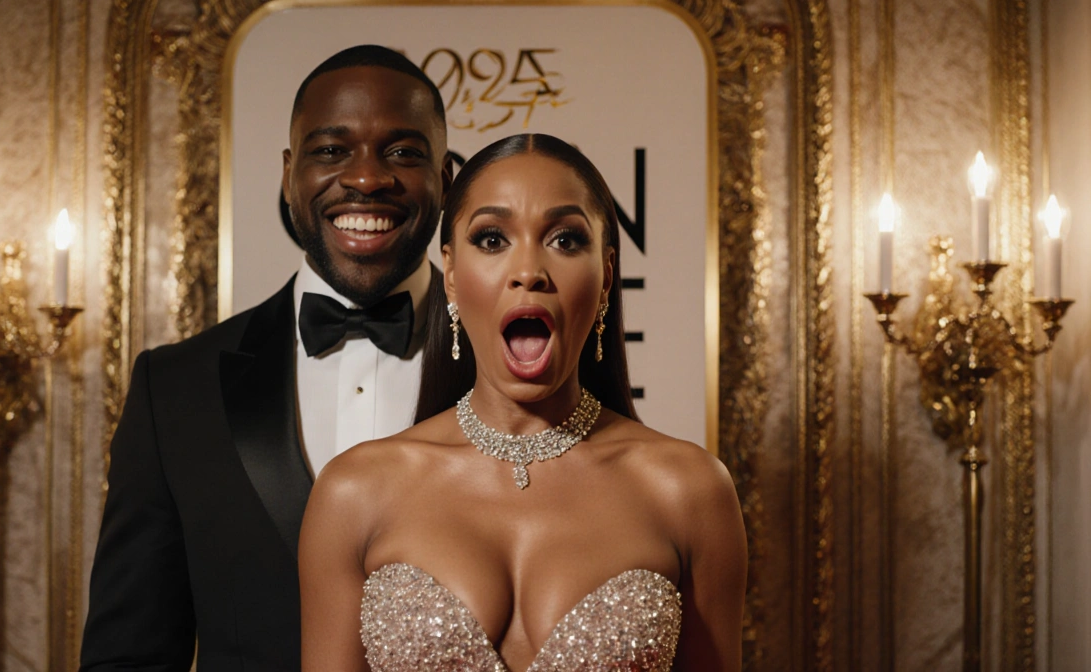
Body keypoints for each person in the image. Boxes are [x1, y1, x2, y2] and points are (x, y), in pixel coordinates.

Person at [299, 133, 747, 672]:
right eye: (492, 239)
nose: (529, 269)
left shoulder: (690, 491)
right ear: (453, 276)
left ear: (606, 278)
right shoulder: (353, 494)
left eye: (564, 240)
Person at [79, 45, 452, 671]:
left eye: (403, 152)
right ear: (288, 174)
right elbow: (128, 657)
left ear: (445, 177)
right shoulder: (173, 389)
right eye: (331, 151)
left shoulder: (524, 372)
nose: (366, 178)